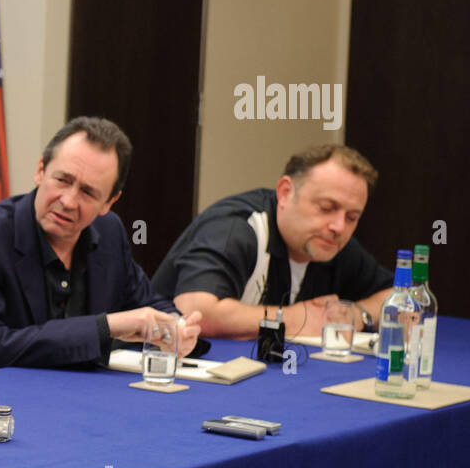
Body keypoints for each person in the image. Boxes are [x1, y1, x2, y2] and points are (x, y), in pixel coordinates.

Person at [0, 116, 202, 377]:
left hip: (74, 404)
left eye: (88, 192)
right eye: (62, 180)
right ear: (40, 170)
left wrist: (178, 327)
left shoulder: (109, 232)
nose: (68, 201)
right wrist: (108, 327)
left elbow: (146, 303)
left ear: (109, 202)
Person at [153, 144, 393, 339]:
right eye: (326, 208)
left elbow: (401, 298)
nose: (339, 227)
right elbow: (195, 312)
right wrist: (298, 319)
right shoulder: (238, 229)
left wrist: (358, 315)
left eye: (352, 217)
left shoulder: (333, 243)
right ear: (285, 193)